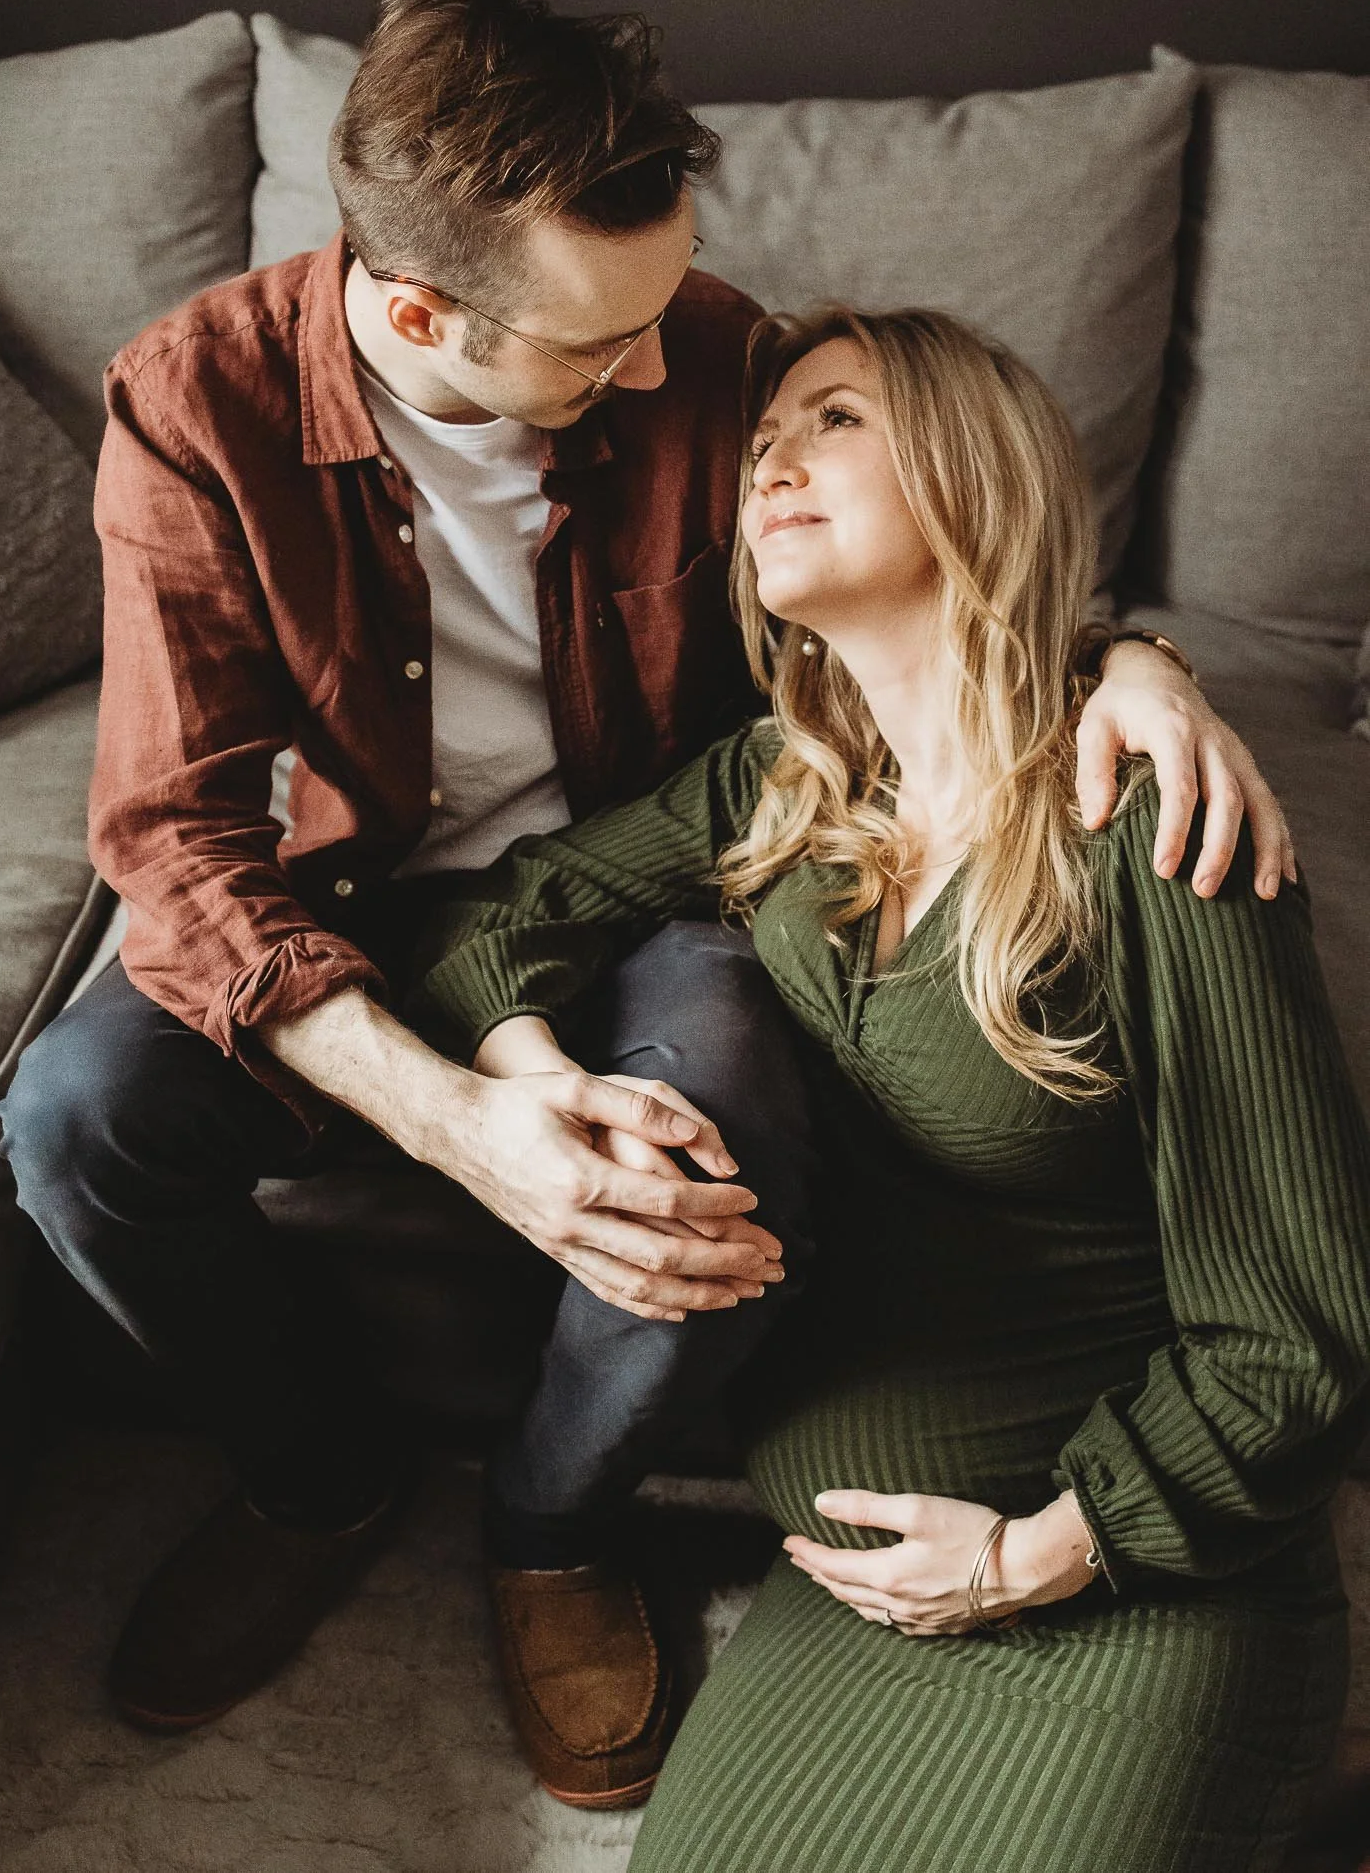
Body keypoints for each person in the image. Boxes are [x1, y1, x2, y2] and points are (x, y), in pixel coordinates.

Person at [0, 0, 1292, 1810]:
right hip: (338, 904)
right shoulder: (195, 400)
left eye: (671, 316)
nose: (674, 375)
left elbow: (919, 532)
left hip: (632, 878)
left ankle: (550, 1520)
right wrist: (469, 1120)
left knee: (729, 1115)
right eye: (599, 348)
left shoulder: (691, 337)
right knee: (74, 1118)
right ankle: (313, 1468)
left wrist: (1123, 657)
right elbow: (173, 839)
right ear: (423, 308)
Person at [415, 304, 1370, 1869]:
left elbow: (1302, 1329)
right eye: (765, 438)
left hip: (1122, 1576)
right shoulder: (782, 791)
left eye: (837, 420)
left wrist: (1029, 1557)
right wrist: (529, 1086)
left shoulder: (1145, 826)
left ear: (977, 469)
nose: (770, 460)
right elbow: (504, 916)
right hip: (855, 1591)